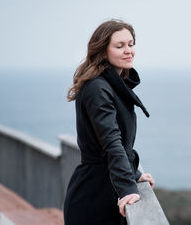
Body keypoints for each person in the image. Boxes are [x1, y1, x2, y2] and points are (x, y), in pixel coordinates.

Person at [64, 19, 155, 225]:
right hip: (93, 197)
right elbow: (111, 143)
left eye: (131, 44)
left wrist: (135, 174)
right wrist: (128, 188)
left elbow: (120, 144)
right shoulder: (98, 88)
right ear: (103, 51)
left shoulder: (113, 86)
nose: (128, 50)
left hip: (107, 191)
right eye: (119, 46)